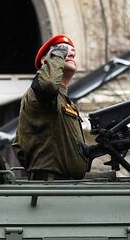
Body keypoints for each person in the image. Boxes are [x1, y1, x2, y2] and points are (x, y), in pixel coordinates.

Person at [12, 34, 89, 181]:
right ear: (45, 61)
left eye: (73, 51)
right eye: (62, 50)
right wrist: (41, 169)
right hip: (51, 184)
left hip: (65, 184)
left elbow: (18, 144)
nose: (70, 53)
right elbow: (48, 84)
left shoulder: (65, 101)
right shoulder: (40, 93)